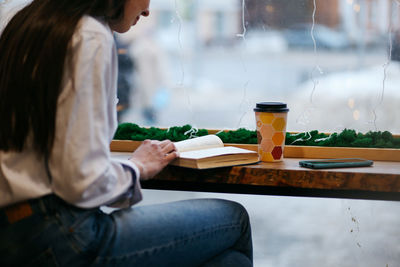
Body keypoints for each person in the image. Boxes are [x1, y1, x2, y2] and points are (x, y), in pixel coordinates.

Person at [0, 0, 253, 266]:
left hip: (14, 229)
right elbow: (80, 180)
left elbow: (58, 153)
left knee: (230, 261)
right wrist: (137, 167)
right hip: (58, 231)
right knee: (234, 219)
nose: (147, 10)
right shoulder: (90, 35)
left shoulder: (25, 23)